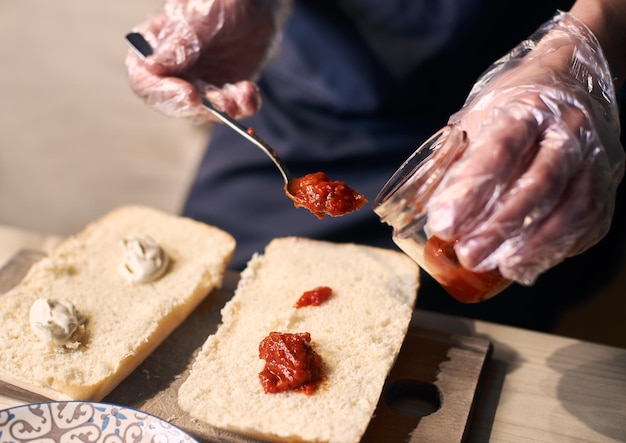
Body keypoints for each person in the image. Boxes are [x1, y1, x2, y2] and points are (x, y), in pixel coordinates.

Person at [126, 0, 626, 332]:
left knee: (471, 336)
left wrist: (583, 50)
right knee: (198, 299)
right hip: (322, 87)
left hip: (538, 101)